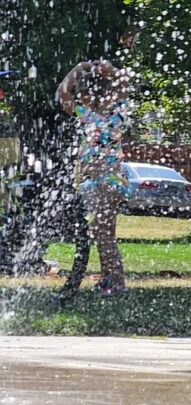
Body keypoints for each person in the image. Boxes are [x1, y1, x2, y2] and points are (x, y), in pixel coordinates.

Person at [56, 60, 131, 296]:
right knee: (101, 232)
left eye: (82, 95)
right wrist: (88, 69)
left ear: (89, 95)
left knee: (104, 233)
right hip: (102, 180)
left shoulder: (109, 115)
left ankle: (116, 281)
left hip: (108, 181)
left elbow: (62, 92)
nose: (80, 99)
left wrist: (78, 68)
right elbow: (61, 95)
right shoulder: (95, 115)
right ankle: (108, 278)